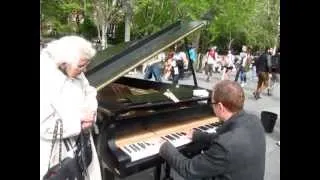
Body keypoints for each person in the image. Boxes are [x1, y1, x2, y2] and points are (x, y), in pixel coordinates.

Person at [159, 80, 266, 180]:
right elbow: (226, 138)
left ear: (220, 107)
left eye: (212, 103)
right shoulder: (254, 121)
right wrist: (197, 135)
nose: (212, 107)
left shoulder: (225, 146)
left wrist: (165, 146)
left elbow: (188, 170)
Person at [40, 36, 102, 180]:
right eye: (80, 66)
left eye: (86, 65)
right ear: (63, 63)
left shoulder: (75, 70)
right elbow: (43, 125)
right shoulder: (45, 78)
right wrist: (79, 120)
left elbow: (90, 91)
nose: (84, 70)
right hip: (55, 152)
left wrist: (91, 111)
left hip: (81, 144)